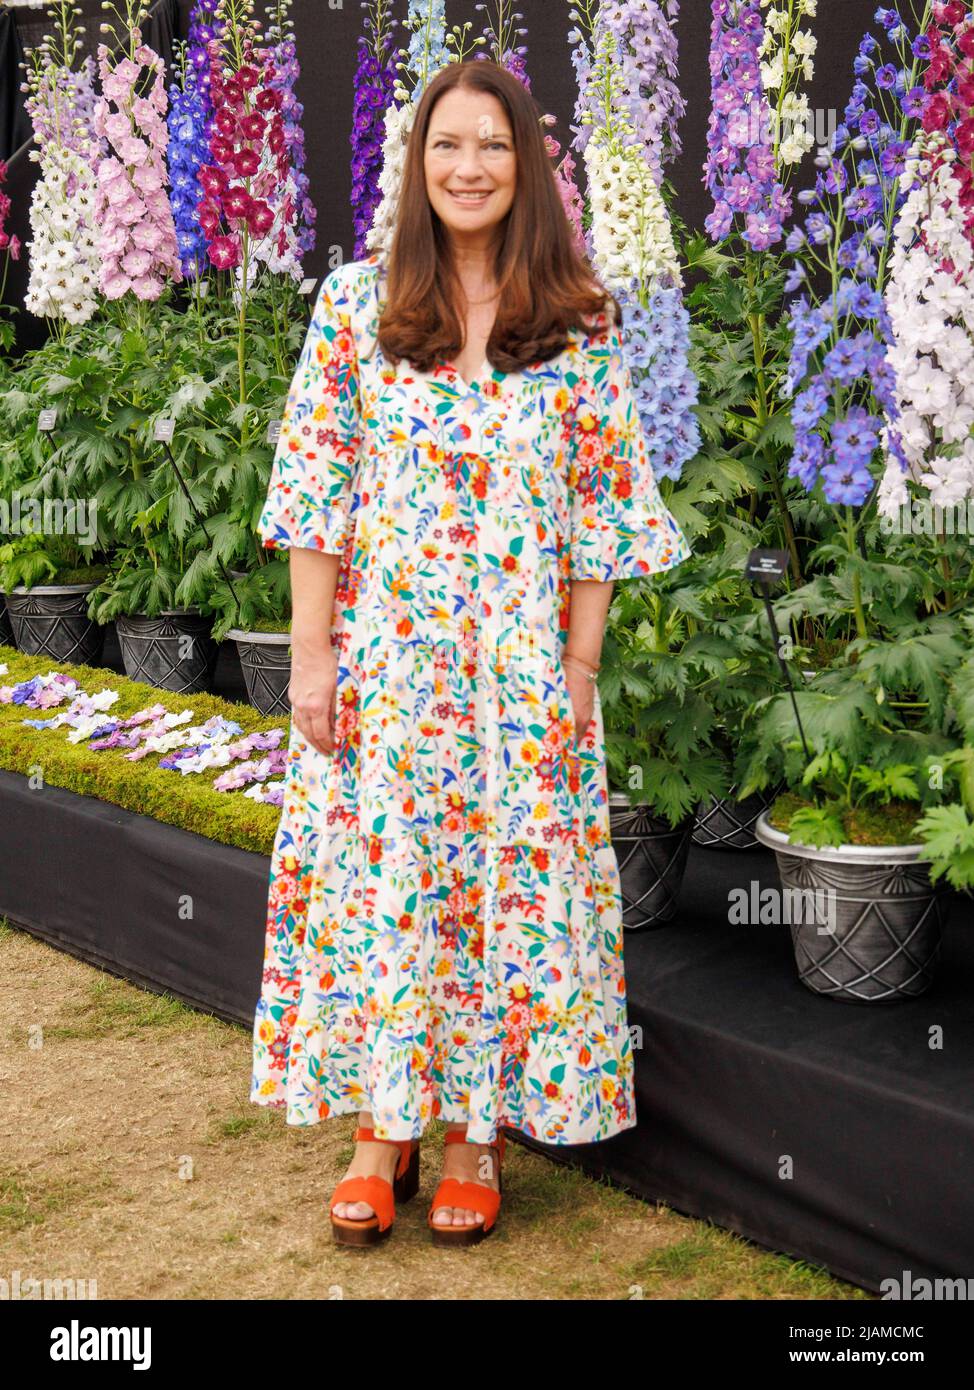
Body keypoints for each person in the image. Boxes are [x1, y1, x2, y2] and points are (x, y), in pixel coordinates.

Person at [250, 59, 691, 1248]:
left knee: (504, 900)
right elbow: (312, 499)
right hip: (389, 674)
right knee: (388, 891)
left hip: (521, 679)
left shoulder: (580, 319)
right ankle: (377, 1133)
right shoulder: (355, 306)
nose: (468, 167)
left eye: (492, 146)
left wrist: (580, 674)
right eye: (447, 145)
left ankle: (473, 1135)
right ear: (416, 161)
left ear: (526, 165)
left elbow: (602, 515)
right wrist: (309, 663)